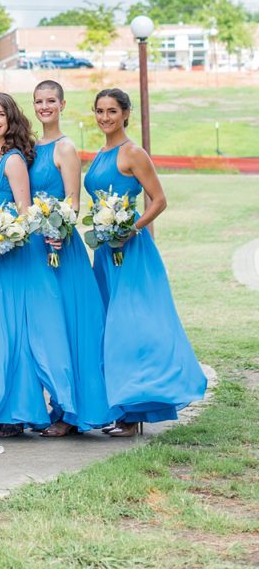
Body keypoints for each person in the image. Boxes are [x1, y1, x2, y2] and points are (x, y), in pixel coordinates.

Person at [85, 88, 207, 436]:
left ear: (126, 114)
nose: (105, 117)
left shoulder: (132, 153)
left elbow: (159, 200)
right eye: (99, 111)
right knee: (111, 326)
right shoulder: (101, 153)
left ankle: (135, 411)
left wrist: (130, 228)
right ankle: (122, 407)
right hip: (106, 252)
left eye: (111, 111)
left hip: (132, 251)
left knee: (131, 327)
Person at [0, 92, 59, 436]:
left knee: (13, 332)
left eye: (0, 114)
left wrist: (5, 233)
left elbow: (25, 210)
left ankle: (17, 411)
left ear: (10, 119)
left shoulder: (13, 160)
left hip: (12, 252)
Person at [31, 80, 110, 435]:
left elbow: (74, 202)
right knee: (46, 328)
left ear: (63, 105)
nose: (45, 106)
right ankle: (56, 401)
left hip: (61, 247)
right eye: (39, 101)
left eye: (51, 101)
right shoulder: (32, 148)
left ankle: (70, 412)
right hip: (35, 247)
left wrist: (58, 230)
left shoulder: (65, 148)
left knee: (68, 325)